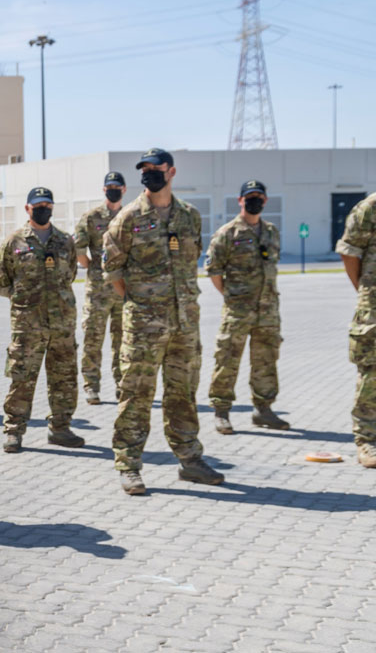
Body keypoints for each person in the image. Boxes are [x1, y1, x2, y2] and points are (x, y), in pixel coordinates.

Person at [102, 148, 224, 494]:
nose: (149, 173)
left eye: (156, 168)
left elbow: (190, 263)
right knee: (136, 395)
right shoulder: (128, 218)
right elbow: (112, 272)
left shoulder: (189, 216)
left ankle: (190, 460)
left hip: (185, 324)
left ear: (171, 172)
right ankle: (128, 464)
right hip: (143, 325)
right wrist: (141, 304)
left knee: (183, 394)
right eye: (144, 169)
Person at [0, 187, 82, 453]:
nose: (43, 209)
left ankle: (61, 429)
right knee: (22, 378)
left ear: (52, 208)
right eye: (37, 205)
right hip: (27, 325)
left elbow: (71, 275)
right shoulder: (14, 242)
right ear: (27, 209)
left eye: (47, 204)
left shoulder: (65, 241)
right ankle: (13, 431)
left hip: (62, 324)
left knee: (64, 379)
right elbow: (3, 282)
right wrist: (27, 304)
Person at [205, 179, 289, 434]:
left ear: (265, 201)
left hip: (268, 310)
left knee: (266, 361)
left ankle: (263, 410)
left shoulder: (272, 231)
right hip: (238, 311)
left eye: (259, 197)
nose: (254, 201)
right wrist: (232, 296)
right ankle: (221, 411)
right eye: (249, 197)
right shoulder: (227, 234)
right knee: (227, 360)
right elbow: (214, 271)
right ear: (240, 200)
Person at [336, 147, 376, 468]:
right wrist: (365, 291)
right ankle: (368, 442)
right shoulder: (371, 208)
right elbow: (350, 253)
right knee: (373, 374)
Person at [74, 171, 126, 405]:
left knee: (123, 340)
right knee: (93, 340)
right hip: (98, 291)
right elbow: (78, 250)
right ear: (104, 190)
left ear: (123, 189)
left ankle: (122, 384)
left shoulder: (130, 216)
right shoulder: (91, 217)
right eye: (109, 187)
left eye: (117, 186)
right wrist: (93, 268)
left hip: (124, 289)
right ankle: (91, 386)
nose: (112, 190)